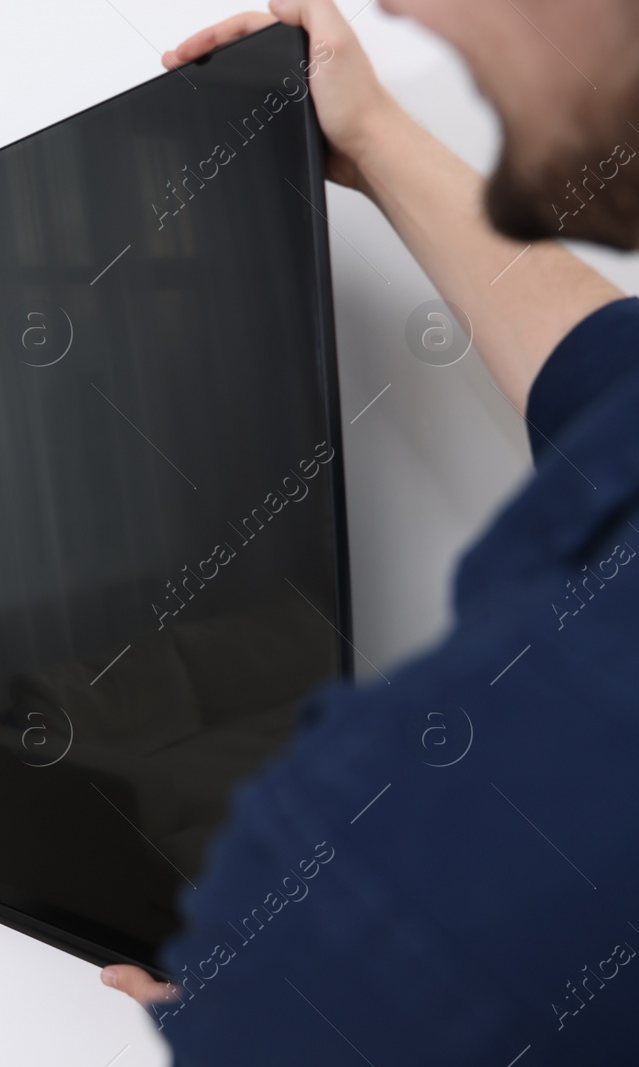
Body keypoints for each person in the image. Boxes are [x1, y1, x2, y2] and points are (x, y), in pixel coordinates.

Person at [98, 0, 639, 1062]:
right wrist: (375, 134)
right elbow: (604, 385)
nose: (397, 6)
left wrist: (265, 1003)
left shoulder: (385, 882)